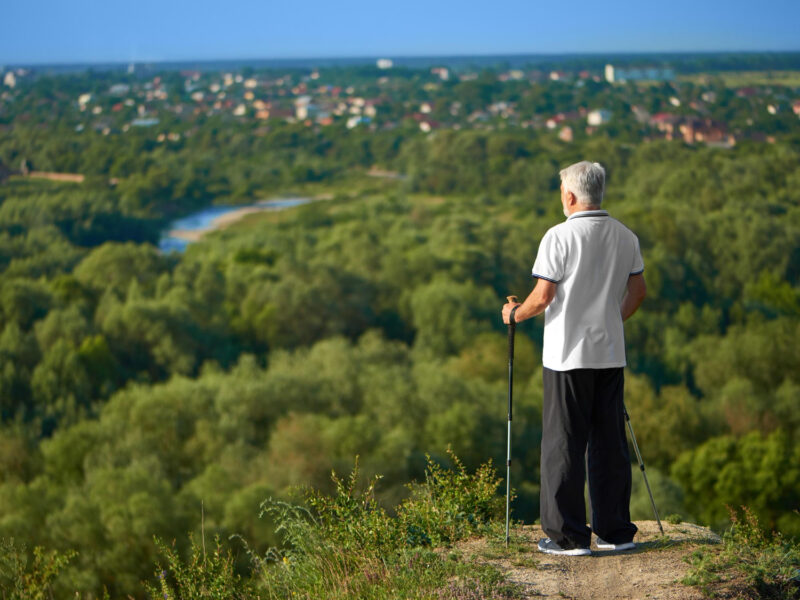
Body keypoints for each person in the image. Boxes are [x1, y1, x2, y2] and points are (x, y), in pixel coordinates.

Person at [501, 161, 647, 556]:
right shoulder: (625, 236)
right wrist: (610, 320)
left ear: (569, 195)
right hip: (610, 354)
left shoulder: (558, 236)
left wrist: (513, 314)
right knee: (609, 443)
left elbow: (543, 297)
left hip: (567, 357)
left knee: (563, 444)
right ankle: (616, 532)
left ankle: (567, 538)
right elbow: (637, 293)